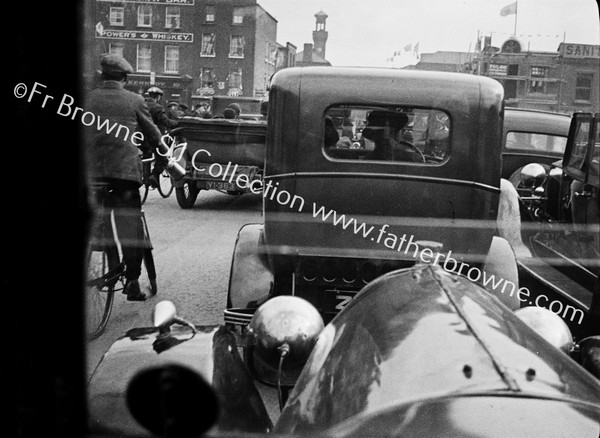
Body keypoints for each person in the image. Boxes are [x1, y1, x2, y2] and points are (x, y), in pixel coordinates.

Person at [85, 54, 163, 301]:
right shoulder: (134, 100)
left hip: (91, 172)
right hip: (124, 175)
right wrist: (164, 160)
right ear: (125, 78)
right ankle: (131, 281)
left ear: (102, 75)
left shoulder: (87, 98)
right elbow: (153, 136)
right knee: (130, 228)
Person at [144, 86, 179, 188]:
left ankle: (143, 173)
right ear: (158, 97)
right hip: (152, 139)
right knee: (163, 156)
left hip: (138, 138)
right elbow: (166, 122)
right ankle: (154, 175)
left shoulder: (140, 105)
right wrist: (177, 123)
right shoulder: (158, 108)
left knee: (145, 156)